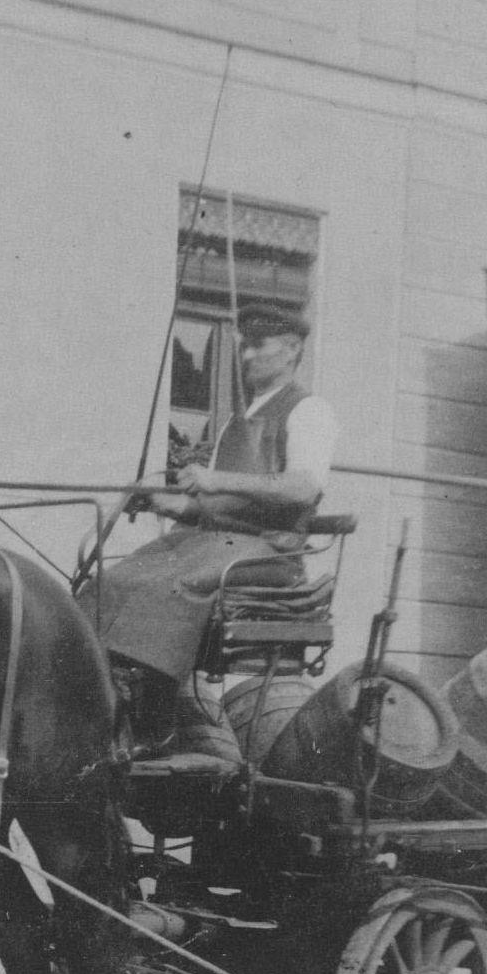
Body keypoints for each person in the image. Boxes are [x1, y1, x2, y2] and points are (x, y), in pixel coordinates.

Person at [85, 302, 340, 755]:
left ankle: (157, 724)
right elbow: (217, 507)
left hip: (272, 551)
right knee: (119, 577)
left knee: (172, 585)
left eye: (257, 345)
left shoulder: (309, 411)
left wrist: (215, 479)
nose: (245, 355)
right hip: (216, 541)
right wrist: (169, 503)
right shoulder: (234, 425)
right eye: (243, 346)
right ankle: (105, 704)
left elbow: (303, 489)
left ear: (290, 350)